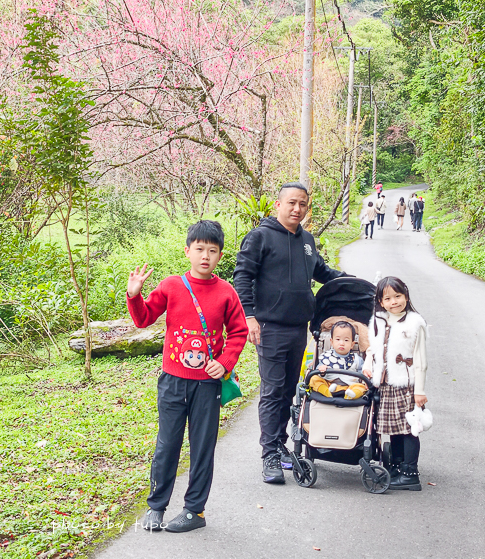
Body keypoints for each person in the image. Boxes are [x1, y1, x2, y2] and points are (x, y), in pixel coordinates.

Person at [127, 220, 248, 533]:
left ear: (220, 255)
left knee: (202, 447)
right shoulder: (171, 285)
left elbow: (239, 332)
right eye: (199, 249)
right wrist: (134, 295)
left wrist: (224, 363)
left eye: (212, 251)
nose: (205, 256)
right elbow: (143, 319)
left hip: (207, 385)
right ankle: (156, 507)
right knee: (167, 445)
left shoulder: (226, 292)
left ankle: (195, 511)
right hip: (172, 382)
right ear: (187, 251)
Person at [232, 183, 344, 485]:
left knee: (288, 389)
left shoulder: (307, 240)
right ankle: (269, 454)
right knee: (272, 390)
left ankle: (279, 444)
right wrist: (249, 316)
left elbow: (322, 272)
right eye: (292, 203)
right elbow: (242, 275)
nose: (297, 209)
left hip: (298, 328)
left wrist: (350, 280)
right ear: (278, 205)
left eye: (303, 204)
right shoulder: (260, 236)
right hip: (269, 327)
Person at [363, 276, 428, 491]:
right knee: (394, 428)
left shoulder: (415, 322)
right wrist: (368, 364)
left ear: (406, 296)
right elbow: (372, 348)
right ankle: (397, 467)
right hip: (385, 384)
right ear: (381, 302)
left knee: (409, 428)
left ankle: (410, 474)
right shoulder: (378, 321)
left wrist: (419, 391)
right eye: (388, 298)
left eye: (398, 296)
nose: (394, 302)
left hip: (405, 384)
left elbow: (420, 360)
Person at [308, 321, 368, 400]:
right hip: (329, 384)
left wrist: (365, 374)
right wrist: (322, 370)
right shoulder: (326, 356)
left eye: (346, 340)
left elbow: (362, 373)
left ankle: (350, 395)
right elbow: (318, 370)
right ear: (332, 342)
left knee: (362, 387)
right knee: (314, 379)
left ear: (352, 344)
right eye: (338, 339)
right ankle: (328, 392)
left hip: (350, 386)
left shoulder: (357, 359)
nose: (342, 343)